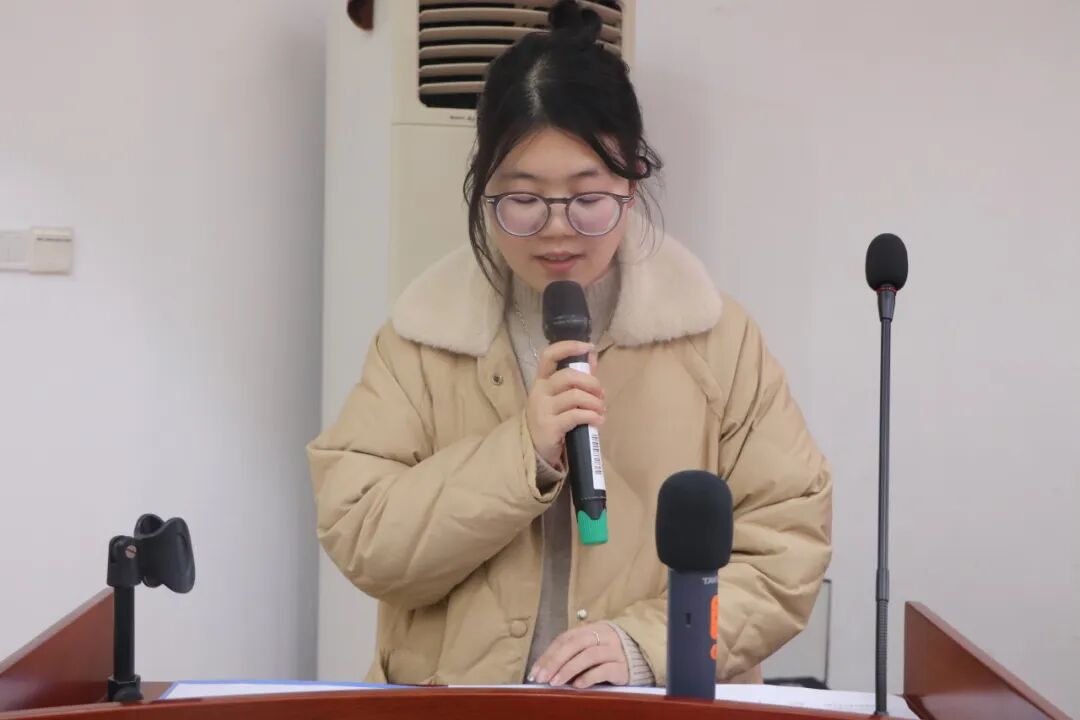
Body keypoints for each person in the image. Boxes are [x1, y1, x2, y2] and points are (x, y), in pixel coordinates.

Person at [307, 0, 831, 690]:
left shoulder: (716, 340)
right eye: (523, 200)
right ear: (483, 188)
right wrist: (520, 453)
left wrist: (646, 647)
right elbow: (361, 537)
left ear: (632, 181)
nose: (557, 228)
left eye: (588, 199)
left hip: (654, 705)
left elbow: (787, 546)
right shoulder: (422, 338)